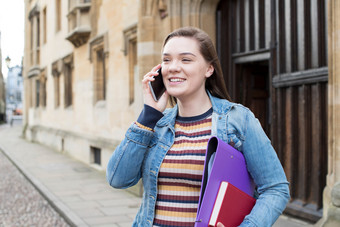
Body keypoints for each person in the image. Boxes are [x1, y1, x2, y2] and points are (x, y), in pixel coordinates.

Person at [106, 26, 290, 227]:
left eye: (186, 59)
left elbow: (275, 188)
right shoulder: (154, 124)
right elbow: (118, 179)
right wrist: (148, 116)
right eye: (167, 60)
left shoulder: (238, 120)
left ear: (209, 69)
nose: (173, 67)